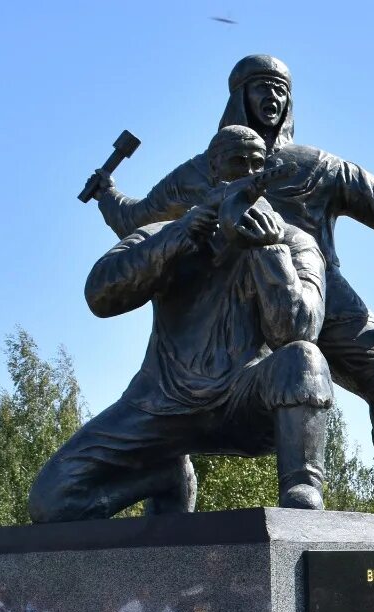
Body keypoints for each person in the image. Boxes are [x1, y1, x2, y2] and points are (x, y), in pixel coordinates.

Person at [86, 54, 374, 517]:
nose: (273, 97)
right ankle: (166, 467)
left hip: (316, 292)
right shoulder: (199, 172)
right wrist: (106, 193)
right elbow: (136, 219)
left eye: (281, 89)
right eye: (262, 87)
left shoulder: (317, 165)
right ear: (238, 96)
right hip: (229, 300)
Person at [33, 125, 333, 521]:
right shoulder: (163, 233)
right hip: (160, 403)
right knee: (51, 502)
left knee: (304, 359)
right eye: (235, 164)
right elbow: (100, 295)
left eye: (256, 166)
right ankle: (161, 477)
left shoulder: (292, 241)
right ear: (213, 171)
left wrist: (270, 251)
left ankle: (302, 485)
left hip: (244, 401)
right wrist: (175, 238)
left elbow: (296, 331)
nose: (245, 174)